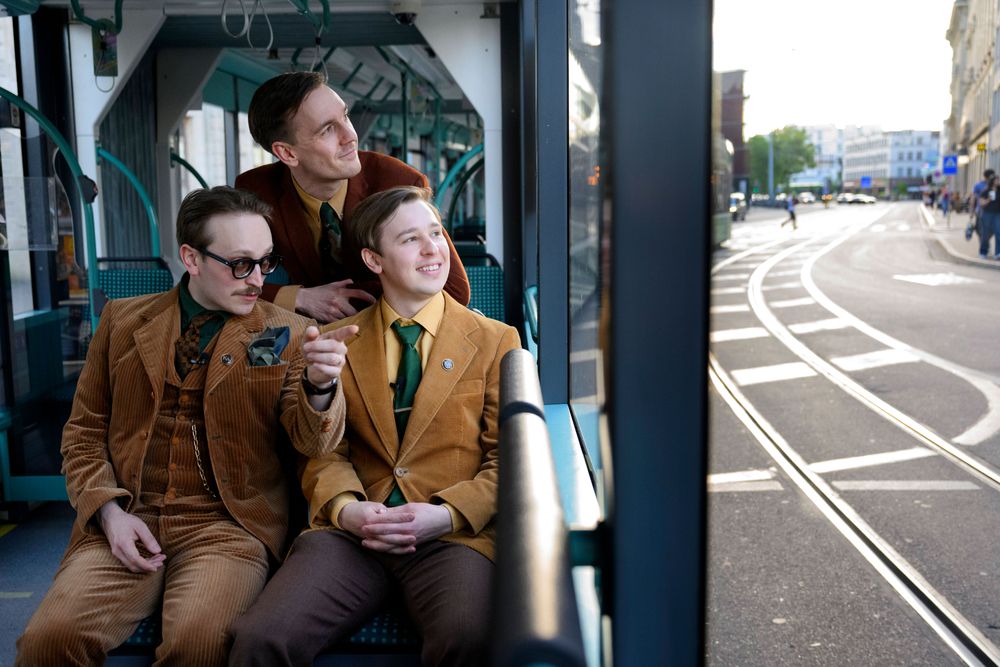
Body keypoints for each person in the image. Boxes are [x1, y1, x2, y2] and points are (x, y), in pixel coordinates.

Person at [16, 187, 358, 666]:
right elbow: (84, 434)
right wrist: (109, 513)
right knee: (47, 642)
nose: (257, 279)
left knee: (198, 646)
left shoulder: (288, 332)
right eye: (240, 263)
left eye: (266, 261)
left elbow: (312, 439)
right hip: (127, 512)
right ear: (190, 258)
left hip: (227, 526)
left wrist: (321, 385)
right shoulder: (121, 321)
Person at [229, 186, 521, 667]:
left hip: (450, 535)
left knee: (468, 637)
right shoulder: (335, 342)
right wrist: (346, 510)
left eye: (436, 233)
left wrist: (445, 515)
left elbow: (506, 460)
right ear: (374, 258)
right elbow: (324, 452)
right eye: (410, 240)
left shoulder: (495, 341)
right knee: (262, 638)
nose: (433, 249)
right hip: (352, 534)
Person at [235, 72, 470, 324]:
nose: (350, 137)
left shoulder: (397, 182)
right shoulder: (257, 191)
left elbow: (454, 291)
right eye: (327, 130)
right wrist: (300, 298)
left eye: (345, 116)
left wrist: (346, 301)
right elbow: (221, 282)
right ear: (287, 153)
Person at [971, 169, 996, 257]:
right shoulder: (978, 185)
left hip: (993, 212)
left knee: (992, 231)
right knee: (981, 231)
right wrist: (971, 212)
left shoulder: (995, 185)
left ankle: (985, 245)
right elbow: (973, 198)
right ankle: (984, 248)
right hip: (980, 211)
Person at [978, 171, 1000, 259]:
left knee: (998, 232)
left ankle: (998, 253)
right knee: (985, 234)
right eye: (997, 180)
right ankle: (983, 252)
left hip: (997, 214)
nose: (999, 181)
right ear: (993, 181)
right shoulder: (986, 191)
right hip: (987, 214)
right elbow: (981, 203)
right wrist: (988, 199)